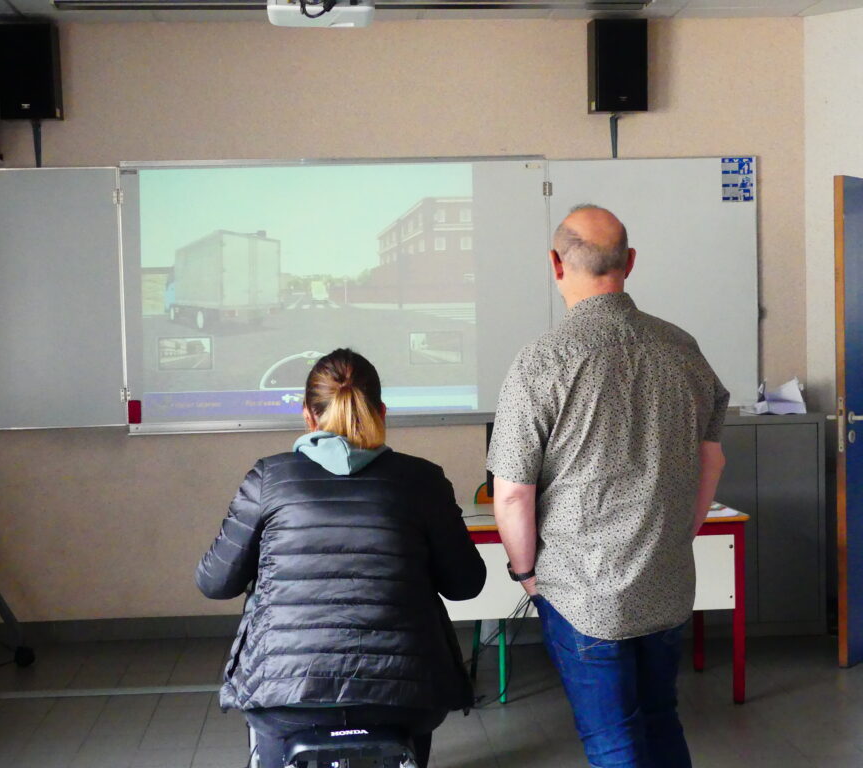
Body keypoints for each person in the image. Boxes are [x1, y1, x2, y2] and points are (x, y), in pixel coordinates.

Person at [487, 205, 729, 768]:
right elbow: (710, 460)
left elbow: (513, 492)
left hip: (581, 592)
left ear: (556, 264)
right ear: (630, 262)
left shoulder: (541, 361)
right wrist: (677, 538)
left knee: (612, 742)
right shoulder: (683, 348)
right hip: (666, 581)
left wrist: (525, 573)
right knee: (661, 718)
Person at [195, 348, 486, 768]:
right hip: (404, 695)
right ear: (381, 412)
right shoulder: (423, 480)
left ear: (307, 416)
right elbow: (466, 584)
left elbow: (214, 583)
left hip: (287, 694)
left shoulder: (269, 479)